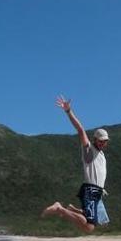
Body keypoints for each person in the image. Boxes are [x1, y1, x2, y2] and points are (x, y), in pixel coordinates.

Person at [41, 95, 110, 233]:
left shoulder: (101, 154)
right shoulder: (89, 150)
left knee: (102, 221)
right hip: (90, 190)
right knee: (89, 227)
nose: (102, 143)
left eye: (105, 141)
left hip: (97, 192)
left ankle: (71, 209)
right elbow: (80, 130)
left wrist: (101, 189)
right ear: (95, 139)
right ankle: (59, 208)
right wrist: (68, 111)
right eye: (100, 140)